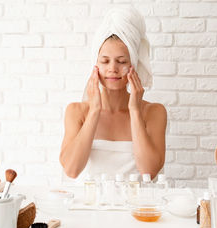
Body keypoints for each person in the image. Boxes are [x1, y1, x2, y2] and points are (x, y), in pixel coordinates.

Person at [59, 7, 167, 181]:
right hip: (89, 206)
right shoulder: (76, 112)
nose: (112, 69)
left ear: (134, 65)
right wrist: (94, 110)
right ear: (95, 64)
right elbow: (72, 170)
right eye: (105, 61)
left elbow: (149, 171)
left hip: (138, 207)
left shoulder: (154, 112)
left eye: (121, 61)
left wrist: (135, 111)